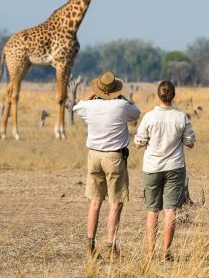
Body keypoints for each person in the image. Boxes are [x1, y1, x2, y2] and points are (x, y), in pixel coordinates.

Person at [73, 71, 140, 259]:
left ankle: (89, 245)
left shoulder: (90, 106)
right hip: (114, 157)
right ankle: (111, 246)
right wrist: (123, 98)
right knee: (115, 203)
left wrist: (92, 95)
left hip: (93, 156)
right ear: (116, 90)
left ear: (99, 89)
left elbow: (77, 107)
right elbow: (136, 112)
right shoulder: (122, 105)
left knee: (95, 202)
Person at [134, 81, 196, 261]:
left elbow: (139, 142)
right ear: (173, 95)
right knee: (170, 210)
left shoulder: (149, 117)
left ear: (158, 95)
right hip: (174, 167)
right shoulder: (180, 117)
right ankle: (166, 252)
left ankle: (150, 250)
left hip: (152, 167)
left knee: (152, 210)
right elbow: (190, 142)